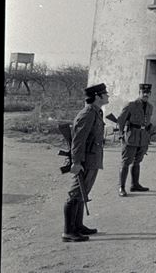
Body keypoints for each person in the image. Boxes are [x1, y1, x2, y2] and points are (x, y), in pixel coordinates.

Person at [62, 83, 108, 242]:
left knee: (83, 193)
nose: (107, 96)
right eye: (105, 93)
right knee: (75, 193)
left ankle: (78, 226)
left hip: (92, 159)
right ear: (97, 96)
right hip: (84, 160)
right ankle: (68, 231)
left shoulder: (96, 112)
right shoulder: (88, 113)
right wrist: (75, 162)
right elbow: (78, 141)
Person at [116, 83, 154, 196]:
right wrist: (121, 135)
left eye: (148, 93)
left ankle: (135, 184)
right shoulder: (131, 105)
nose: (146, 94)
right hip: (131, 137)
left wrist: (149, 132)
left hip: (143, 138)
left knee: (137, 161)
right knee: (126, 162)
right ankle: (121, 188)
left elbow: (147, 121)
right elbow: (121, 120)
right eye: (144, 92)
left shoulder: (150, 107)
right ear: (139, 93)